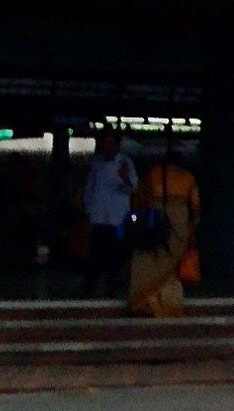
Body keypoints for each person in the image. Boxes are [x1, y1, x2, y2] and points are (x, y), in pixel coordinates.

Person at [128, 150, 201, 318]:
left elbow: (138, 200)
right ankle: (168, 305)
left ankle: (144, 304)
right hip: (178, 222)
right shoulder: (188, 178)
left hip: (155, 221)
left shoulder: (152, 174)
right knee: (171, 267)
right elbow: (195, 206)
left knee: (149, 263)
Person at [80, 129, 136, 299]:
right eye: (104, 143)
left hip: (116, 218)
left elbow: (132, 187)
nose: (107, 146)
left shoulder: (125, 163)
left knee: (115, 253)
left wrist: (125, 178)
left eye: (110, 143)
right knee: (95, 254)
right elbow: (90, 188)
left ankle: (113, 285)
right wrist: (88, 209)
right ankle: (89, 287)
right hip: (98, 217)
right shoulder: (97, 163)